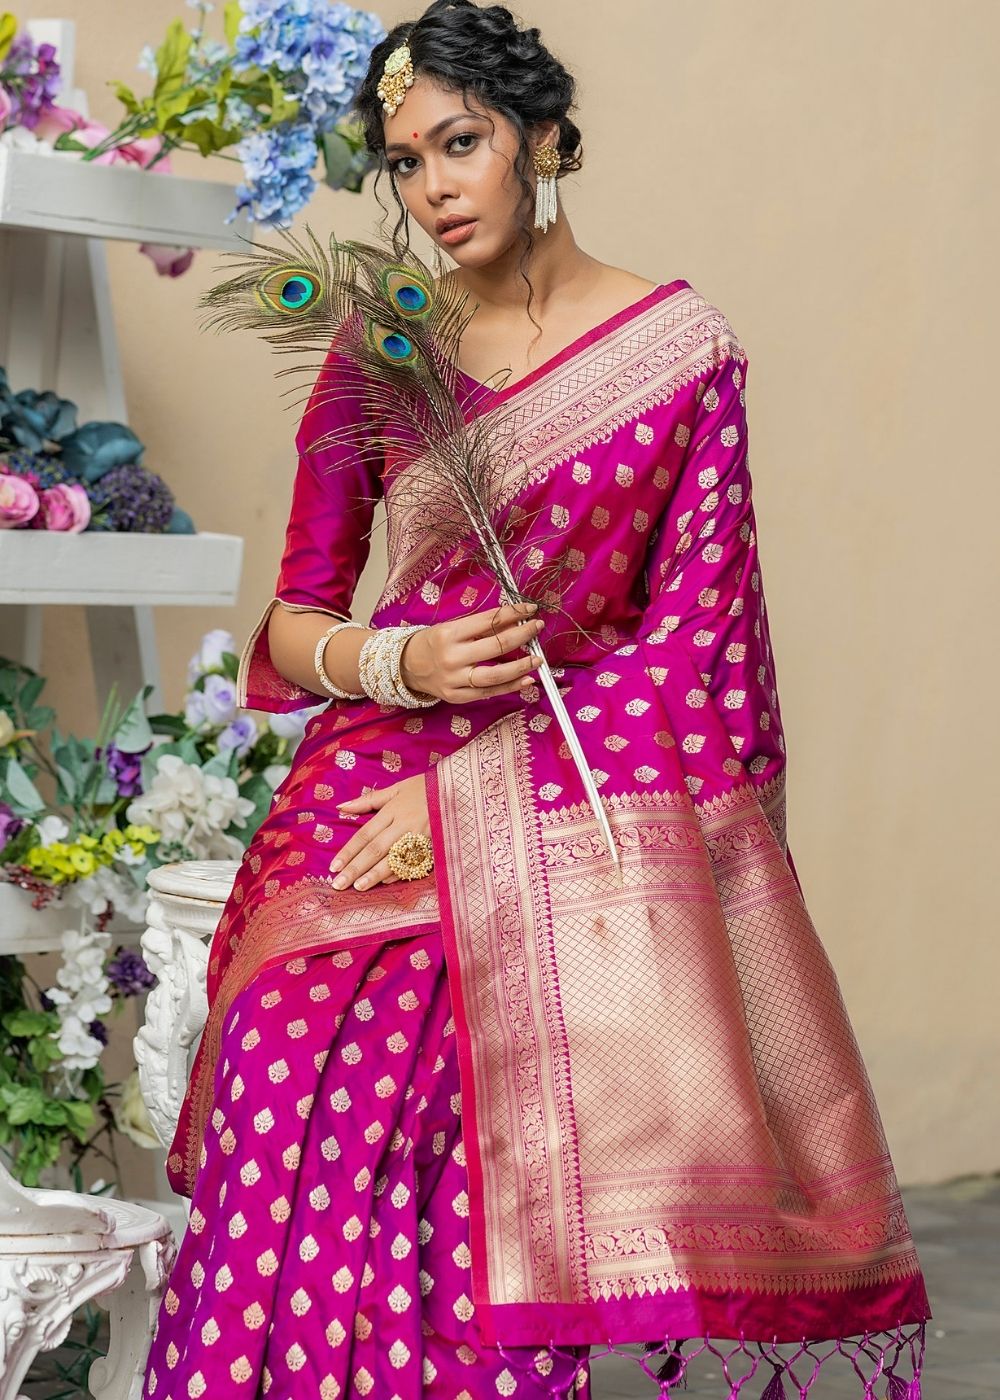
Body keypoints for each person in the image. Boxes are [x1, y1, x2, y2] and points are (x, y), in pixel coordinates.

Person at [142, 3, 931, 1397]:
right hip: (366, 775)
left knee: (468, 1089)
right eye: (404, 163)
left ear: (547, 139)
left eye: (462, 144)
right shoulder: (383, 343)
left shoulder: (680, 353)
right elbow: (297, 620)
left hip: (569, 786)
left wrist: (461, 803)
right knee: (282, 1049)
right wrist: (402, 667)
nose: (432, 189)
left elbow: (694, 650)